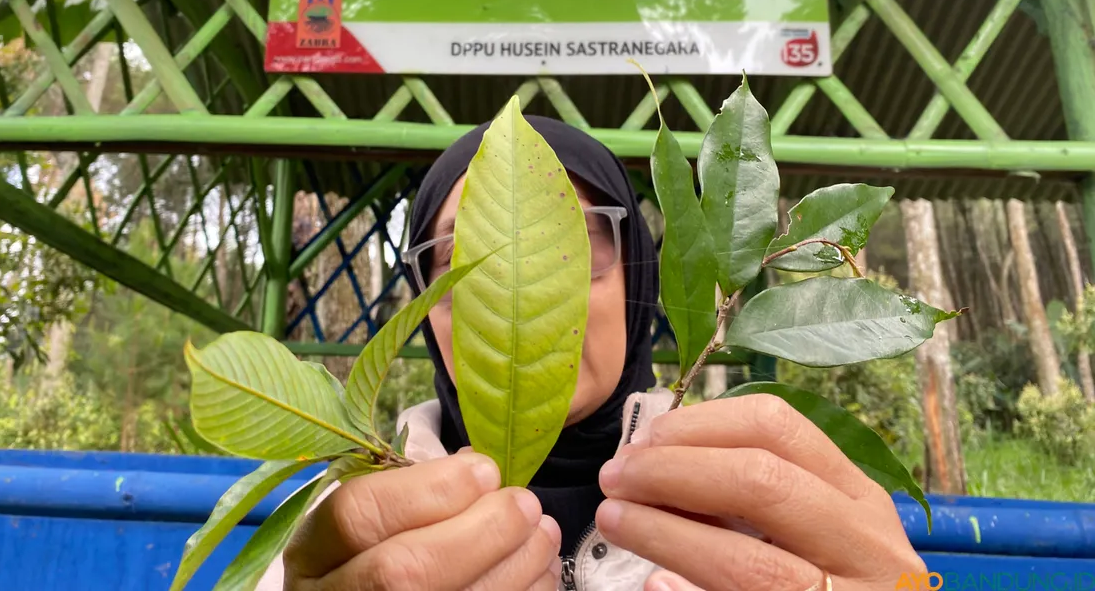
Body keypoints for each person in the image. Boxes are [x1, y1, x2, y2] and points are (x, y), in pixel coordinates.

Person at [269, 117, 927, 591]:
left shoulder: (758, 508)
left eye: (574, 247)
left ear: (637, 276)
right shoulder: (341, 534)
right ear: (422, 310)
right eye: (463, 263)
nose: (525, 294)